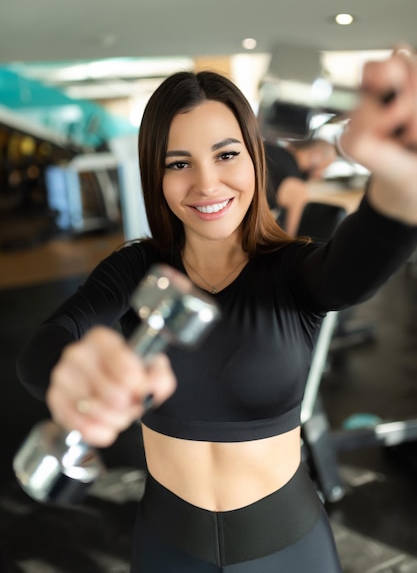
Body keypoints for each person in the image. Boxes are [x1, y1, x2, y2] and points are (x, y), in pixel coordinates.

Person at [16, 50, 417, 572]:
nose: (206, 184)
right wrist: (66, 375)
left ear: (255, 158)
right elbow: (48, 342)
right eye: (178, 163)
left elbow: (365, 254)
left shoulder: (295, 271)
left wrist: (402, 177)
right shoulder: (137, 268)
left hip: (287, 549)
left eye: (226, 155)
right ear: (155, 177)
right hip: (168, 546)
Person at [264, 137, 337, 235]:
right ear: (317, 157)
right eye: (324, 168)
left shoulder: (268, 147)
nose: (320, 176)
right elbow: (288, 236)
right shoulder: (297, 188)